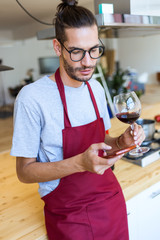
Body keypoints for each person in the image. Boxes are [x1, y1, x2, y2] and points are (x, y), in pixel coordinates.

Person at [11, 0, 145, 239]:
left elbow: (103, 142)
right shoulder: (32, 98)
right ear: (57, 47)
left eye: (94, 49)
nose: (88, 62)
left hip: (110, 202)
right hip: (69, 215)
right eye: (76, 51)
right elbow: (24, 172)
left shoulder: (95, 88)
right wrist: (79, 164)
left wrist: (121, 142)